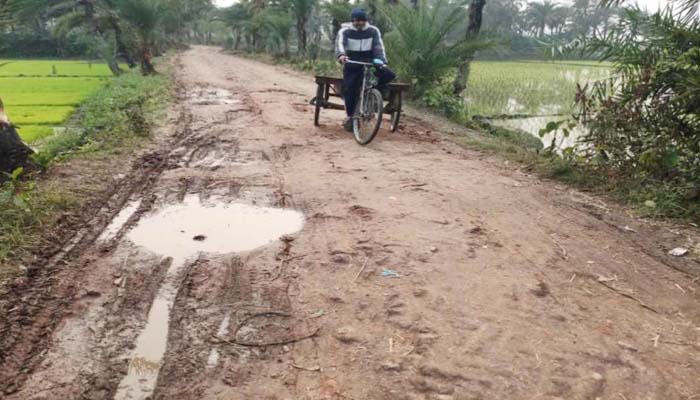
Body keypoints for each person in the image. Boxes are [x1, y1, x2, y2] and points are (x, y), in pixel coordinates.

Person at [335, 8, 396, 132]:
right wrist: (341, 55)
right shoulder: (345, 31)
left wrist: (381, 60)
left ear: (365, 21)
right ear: (352, 21)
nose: (359, 23)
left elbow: (378, 46)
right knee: (349, 88)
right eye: (356, 21)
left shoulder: (373, 31)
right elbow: (340, 44)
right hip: (352, 62)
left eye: (362, 20)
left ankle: (374, 93)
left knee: (389, 75)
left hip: (370, 61)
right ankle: (351, 116)